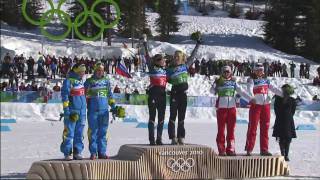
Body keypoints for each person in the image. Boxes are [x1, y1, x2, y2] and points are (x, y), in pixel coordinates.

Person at [210, 65, 252, 156]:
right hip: (221, 108)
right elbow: (211, 91)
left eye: (227, 72)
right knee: (221, 130)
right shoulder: (219, 81)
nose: (226, 73)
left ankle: (231, 149)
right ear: (222, 72)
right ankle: (221, 149)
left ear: (231, 73)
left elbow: (242, 91)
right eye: (224, 72)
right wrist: (216, 84)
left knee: (231, 130)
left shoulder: (233, 82)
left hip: (232, 109)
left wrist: (251, 99)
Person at [245, 63, 283, 156]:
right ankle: (249, 149)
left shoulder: (266, 80)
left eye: (261, 70)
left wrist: (284, 94)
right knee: (253, 127)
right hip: (256, 105)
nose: (259, 72)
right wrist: (252, 97)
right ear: (254, 71)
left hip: (266, 106)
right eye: (258, 70)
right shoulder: (251, 79)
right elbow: (249, 89)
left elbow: (274, 89)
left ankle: (264, 149)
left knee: (265, 128)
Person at [85, 61, 118, 160]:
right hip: (93, 111)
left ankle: (102, 152)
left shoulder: (106, 81)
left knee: (103, 132)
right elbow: (84, 95)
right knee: (93, 132)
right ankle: (93, 152)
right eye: (98, 70)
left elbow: (109, 95)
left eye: (102, 70)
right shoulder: (89, 81)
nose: (100, 72)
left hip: (104, 111)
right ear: (95, 70)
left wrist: (113, 106)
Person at [60, 64, 87, 160]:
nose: (83, 73)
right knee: (69, 133)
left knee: (79, 133)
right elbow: (65, 96)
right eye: (81, 71)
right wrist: (67, 110)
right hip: (72, 111)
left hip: (82, 112)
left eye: (84, 71)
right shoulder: (68, 81)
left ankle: (77, 151)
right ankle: (68, 153)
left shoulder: (81, 81)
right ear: (76, 71)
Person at [167, 50, 193, 145]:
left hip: (183, 95)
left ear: (182, 58)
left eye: (178, 56)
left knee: (181, 117)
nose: (176, 58)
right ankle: (173, 137)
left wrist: (198, 44)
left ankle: (181, 137)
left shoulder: (185, 66)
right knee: (173, 116)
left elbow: (192, 56)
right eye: (175, 56)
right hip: (174, 94)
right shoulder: (170, 69)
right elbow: (163, 78)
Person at [146, 54, 167, 145]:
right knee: (152, 117)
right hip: (153, 94)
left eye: (164, 60)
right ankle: (151, 139)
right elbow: (148, 58)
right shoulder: (152, 68)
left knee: (161, 118)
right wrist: (145, 43)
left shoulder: (165, 71)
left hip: (162, 95)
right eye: (162, 60)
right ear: (157, 61)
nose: (164, 61)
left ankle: (159, 139)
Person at [272, 84, 296, 161]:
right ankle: (284, 154)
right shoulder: (280, 99)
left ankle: (285, 154)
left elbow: (292, 111)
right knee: (285, 138)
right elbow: (292, 111)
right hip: (285, 120)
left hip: (284, 120)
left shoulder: (291, 100)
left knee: (285, 138)